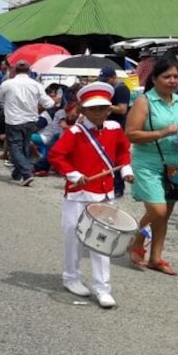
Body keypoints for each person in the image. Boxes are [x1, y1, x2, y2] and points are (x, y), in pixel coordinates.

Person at [48, 82, 134, 309]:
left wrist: (125, 169)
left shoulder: (115, 128)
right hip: (78, 194)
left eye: (103, 108)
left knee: (101, 242)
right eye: (93, 108)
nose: (98, 112)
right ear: (83, 110)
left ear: (109, 109)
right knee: (73, 237)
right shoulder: (76, 132)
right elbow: (56, 156)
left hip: (104, 194)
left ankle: (102, 288)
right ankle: (71, 277)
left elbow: (123, 151)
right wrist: (74, 174)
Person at [125, 55, 178, 275]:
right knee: (157, 209)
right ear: (154, 78)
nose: (173, 80)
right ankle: (136, 237)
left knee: (165, 215)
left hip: (175, 164)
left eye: (176, 76)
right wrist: (162, 132)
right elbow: (131, 134)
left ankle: (156, 258)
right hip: (148, 162)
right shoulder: (144, 101)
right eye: (167, 76)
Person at [0, 60, 56, 186]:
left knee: (15, 148)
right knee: (24, 147)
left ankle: (26, 173)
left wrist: (6, 99)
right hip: (31, 120)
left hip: (13, 120)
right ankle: (17, 174)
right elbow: (49, 103)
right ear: (29, 71)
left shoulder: (8, 84)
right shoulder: (36, 85)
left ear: (14, 71)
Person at [97, 67, 131, 197]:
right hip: (108, 125)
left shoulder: (121, 89)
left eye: (106, 80)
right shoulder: (110, 89)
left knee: (117, 157)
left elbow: (122, 109)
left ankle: (118, 187)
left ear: (113, 77)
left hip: (118, 126)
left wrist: (106, 106)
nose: (104, 82)